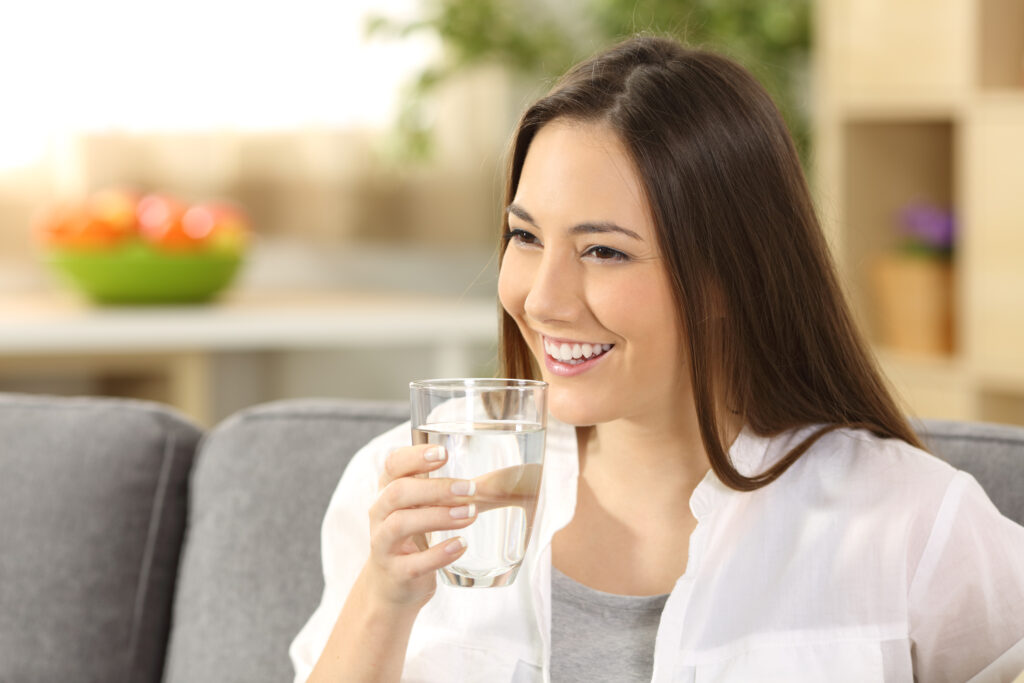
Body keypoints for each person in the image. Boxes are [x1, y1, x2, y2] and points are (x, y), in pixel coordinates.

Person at [290, 35, 1024, 682]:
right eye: (526, 237)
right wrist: (383, 601)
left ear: (729, 275)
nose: (544, 298)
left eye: (604, 251)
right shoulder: (411, 485)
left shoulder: (907, 520)